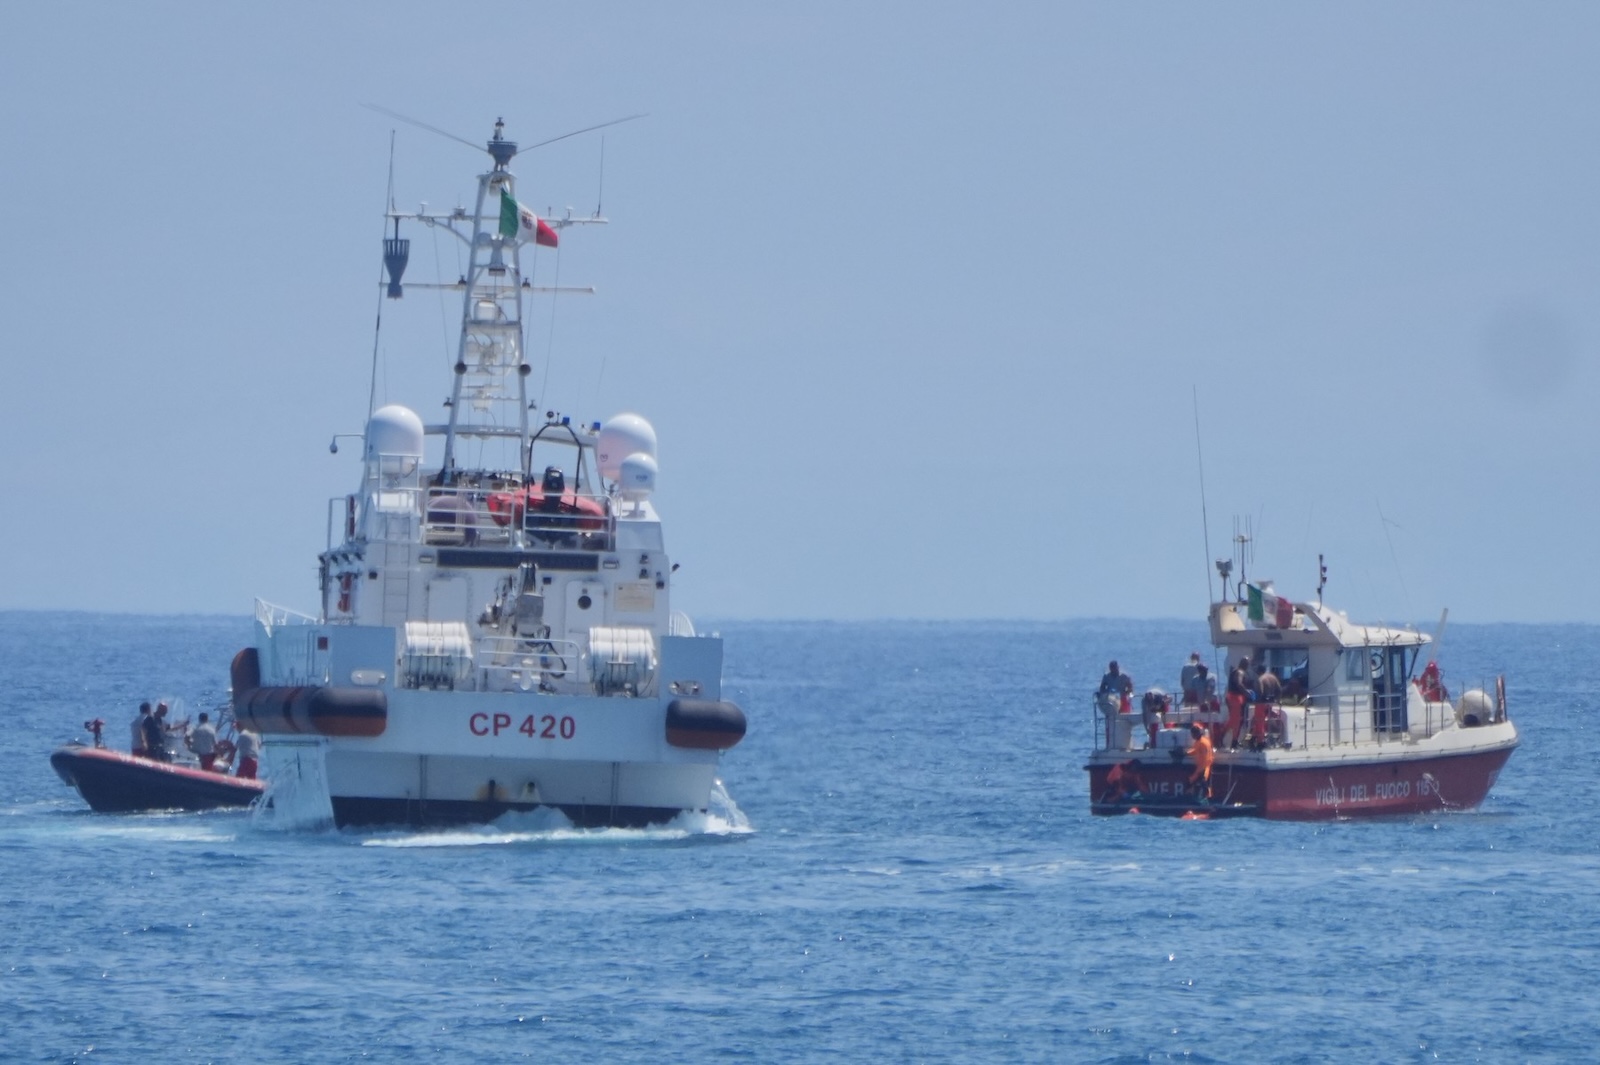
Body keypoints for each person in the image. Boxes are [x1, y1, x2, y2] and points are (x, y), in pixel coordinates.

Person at [1224, 657, 1250, 749]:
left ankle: (1234, 741)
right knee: (1234, 721)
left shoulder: (1236, 671)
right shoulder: (1240, 672)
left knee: (1237, 721)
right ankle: (1222, 736)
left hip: (1235, 698)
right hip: (1234, 698)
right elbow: (1239, 684)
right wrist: (1246, 692)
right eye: (1247, 664)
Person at [1186, 723, 1214, 801]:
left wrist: (1201, 770)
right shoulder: (1202, 740)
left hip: (1203, 768)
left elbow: (1205, 757)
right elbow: (1195, 751)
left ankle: (1208, 799)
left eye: (1192, 734)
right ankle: (1193, 796)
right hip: (1201, 767)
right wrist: (1185, 753)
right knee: (1191, 781)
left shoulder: (1201, 742)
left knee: (1203, 782)